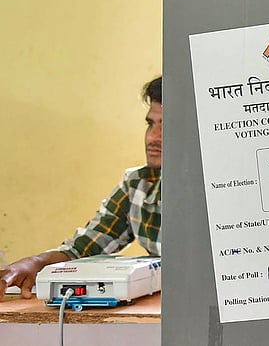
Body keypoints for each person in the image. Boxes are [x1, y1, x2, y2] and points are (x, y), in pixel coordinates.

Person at [0, 76, 162, 299]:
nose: (153, 137)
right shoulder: (138, 185)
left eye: (168, 125)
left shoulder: (220, 188)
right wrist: (34, 263)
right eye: (150, 124)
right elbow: (83, 248)